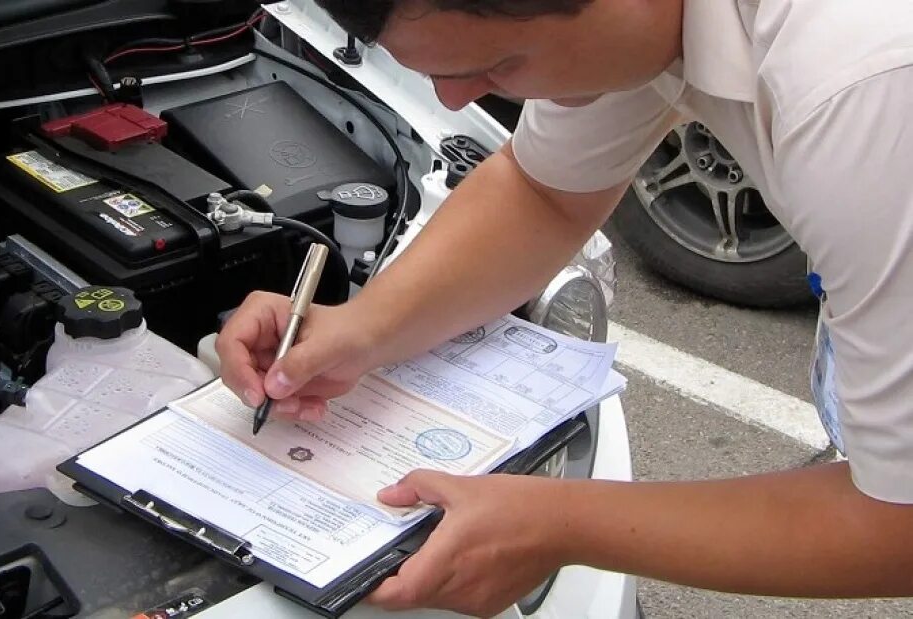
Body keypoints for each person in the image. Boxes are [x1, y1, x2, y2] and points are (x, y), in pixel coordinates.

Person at [216, 0, 913, 615]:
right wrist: (358, 329)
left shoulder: (866, 87)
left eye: (498, 64)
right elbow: (544, 191)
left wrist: (559, 523)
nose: (454, 103)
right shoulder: (628, 31)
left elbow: (900, 520)